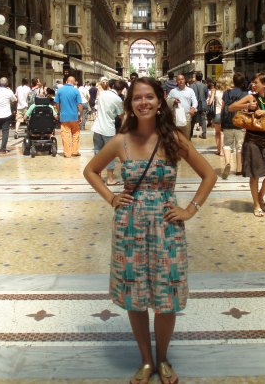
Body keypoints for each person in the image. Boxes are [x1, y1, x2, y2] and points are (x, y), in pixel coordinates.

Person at [83, 77, 217, 384]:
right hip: (129, 225)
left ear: (159, 103)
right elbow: (91, 170)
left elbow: (209, 175)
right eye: (137, 98)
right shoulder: (121, 141)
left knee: (166, 295)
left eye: (149, 97)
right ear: (130, 104)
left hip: (167, 225)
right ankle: (146, 360)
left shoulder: (174, 139)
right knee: (135, 294)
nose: (143, 103)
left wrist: (190, 210)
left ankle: (163, 358)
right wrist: (112, 198)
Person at [228, 72, 265, 217]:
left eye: (256, 82)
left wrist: (264, 112)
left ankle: (259, 196)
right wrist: (247, 105)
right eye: (252, 82)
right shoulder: (251, 97)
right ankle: (256, 204)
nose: (253, 84)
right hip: (252, 140)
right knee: (254, 174)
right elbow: (231, 107)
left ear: (264, 84)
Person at [91, 79, 124, 185]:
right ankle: (110, 179)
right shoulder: (117, 99)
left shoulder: (102, 94)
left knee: (97, 153)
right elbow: (121, 115)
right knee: (110, 155)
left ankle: (98, 176)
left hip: (97, 127)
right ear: (122, 89)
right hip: (108, 129)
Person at [221, 72, 248, 178]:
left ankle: (227, 163)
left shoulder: (226, 93)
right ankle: (239, 169)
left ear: (233, 81)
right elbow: (246, 109)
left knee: (227, 144)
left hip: (227, 121)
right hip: (240, 122)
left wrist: (222, 122)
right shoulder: (245, 94)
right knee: (239, 146)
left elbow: (223, 108)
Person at [54, 76, 83, 158]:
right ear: (74, 82)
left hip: (64, 116)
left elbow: (57, 103)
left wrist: (59, 112)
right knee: (75, 133)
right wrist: (80, 115)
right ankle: (75, 151)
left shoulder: (60, 90)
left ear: (66, 81)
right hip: (74, 116)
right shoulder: (76, 91)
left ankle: (67, 153)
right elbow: (80, 105)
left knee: (65, 135)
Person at [0, 77, 17, 153]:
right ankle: (3, 148)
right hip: (6, 114)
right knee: (5, 131)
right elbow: (14, 99)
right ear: (7, 84)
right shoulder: (9, 91)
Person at [167, 74, 197, 141]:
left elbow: (195, 101)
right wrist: (173, 101)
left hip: (187, 116)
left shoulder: (190, 90)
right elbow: (167, 101)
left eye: (182, 79)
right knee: (177, 138)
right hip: (176, 117)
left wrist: (193, 108)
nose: (181, 81)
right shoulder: (173, 91)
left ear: (185, 80)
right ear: (176, 81)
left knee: (186, 137)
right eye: (179, 80)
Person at [208, 78, 225, 155]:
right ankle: (222, 151)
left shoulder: (214, 92)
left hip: (217, 113)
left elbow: (210, 102)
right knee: (222, 133)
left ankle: (218, 150)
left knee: (217, 133)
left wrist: (211, 96)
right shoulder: (225, 92)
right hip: (224, 113)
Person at [189, 72, 208, 139]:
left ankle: (191, 133)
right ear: (201, 78)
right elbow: (206, 96)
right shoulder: (204, 86)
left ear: (196, 78)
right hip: (202, 104)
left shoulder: (191, 86)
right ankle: (204, 133)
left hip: (194, 105)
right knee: (203, 119)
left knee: (193, 119)